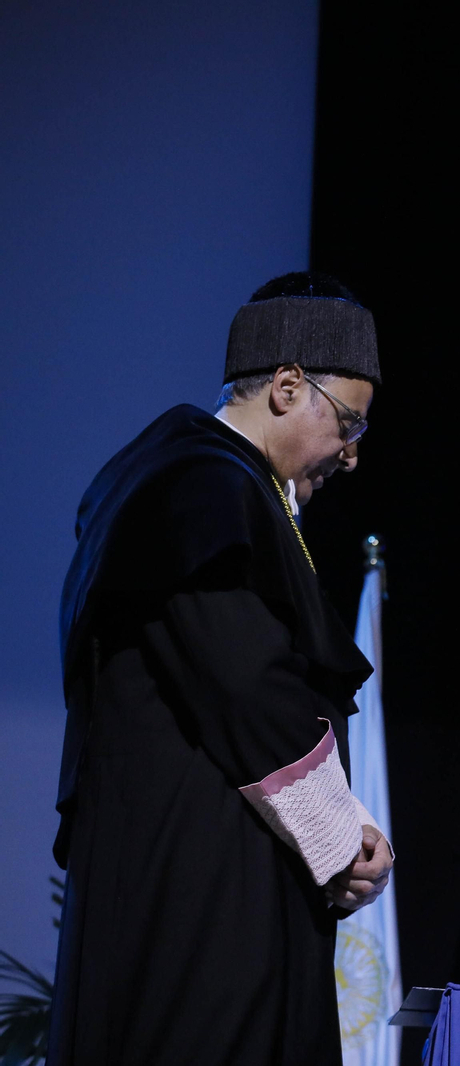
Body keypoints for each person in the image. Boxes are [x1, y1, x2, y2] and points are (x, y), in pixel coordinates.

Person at [50, 272, 395, 1066]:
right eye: (348, 424)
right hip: (198, 905)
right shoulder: (199, 485)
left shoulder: (176, 478)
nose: (350, 456)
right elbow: (245, 683)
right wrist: (343, 840)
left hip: (185, 884)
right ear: (284, 387)